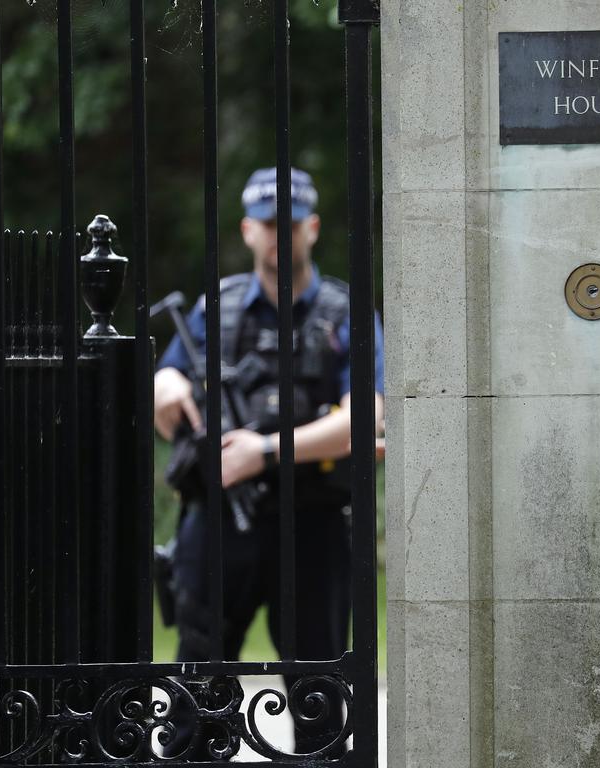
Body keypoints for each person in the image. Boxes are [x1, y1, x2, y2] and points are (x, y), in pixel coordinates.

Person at [153, 167, 385, 756]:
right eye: (266, 226)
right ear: (247, 231)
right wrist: (166, 383)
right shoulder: (217, 306)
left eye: (288, 225)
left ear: (312, 227)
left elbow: (368, 418)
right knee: (198, 690)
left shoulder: (344, 311)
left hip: (311, 521)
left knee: (318, 692)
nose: (278, 238)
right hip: (219, 519)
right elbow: (169, 376)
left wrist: (264, 452)